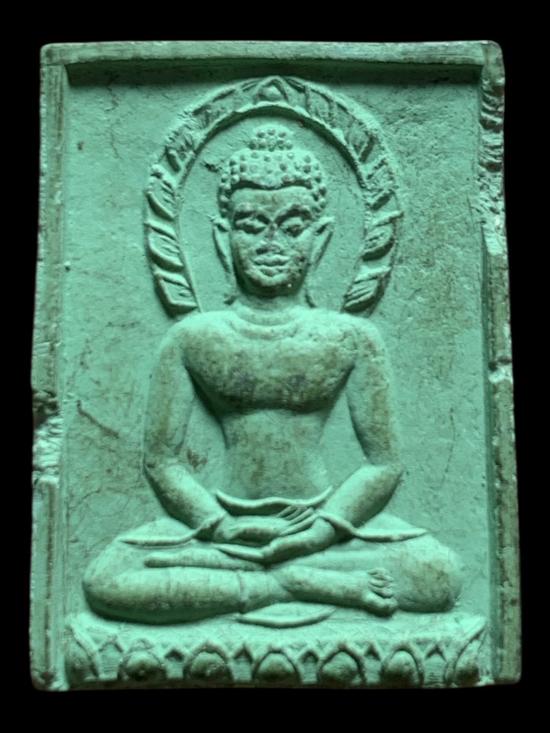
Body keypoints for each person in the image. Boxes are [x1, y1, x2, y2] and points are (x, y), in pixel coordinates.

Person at [84, 125, 462, 624]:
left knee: (437, 575)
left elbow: (383, 464)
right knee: (107, 580)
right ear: (222, 236)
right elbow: (162, 461)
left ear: (320, 237)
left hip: (323, 524)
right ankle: (289, 585)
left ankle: (268, 580)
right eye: (250, 225)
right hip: (223, 528)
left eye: (292, 225)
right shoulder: (193, 337)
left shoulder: (351, 337)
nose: (270, 242)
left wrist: (321, 530)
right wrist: (217, 525)